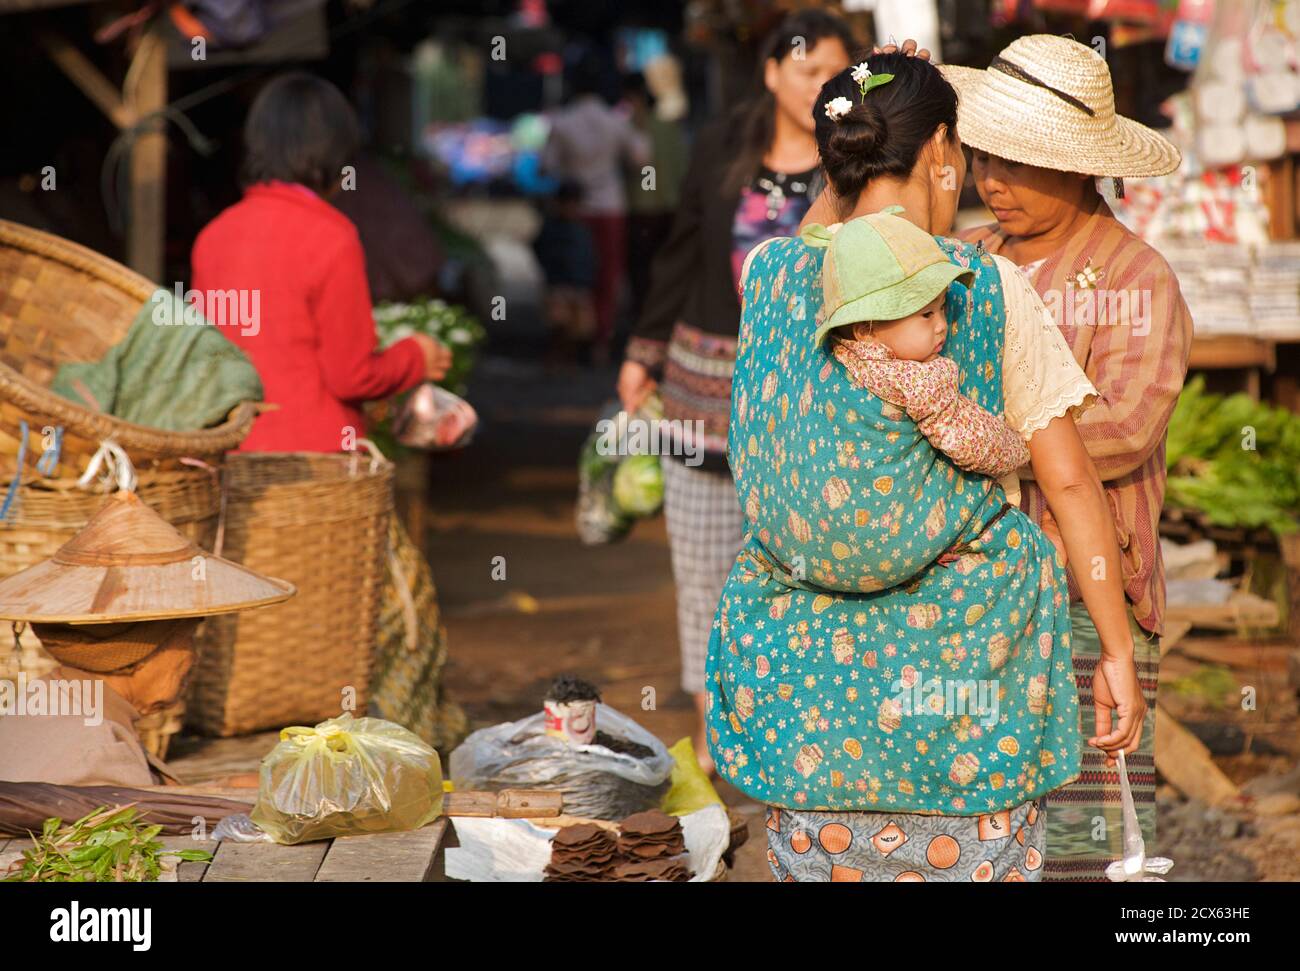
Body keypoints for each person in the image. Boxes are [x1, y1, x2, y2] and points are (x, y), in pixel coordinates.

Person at [710, 48, 1146, 882]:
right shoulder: (988, 289)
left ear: (839, 157)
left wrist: (865, 112)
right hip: (967, 711)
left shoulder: (767, 275)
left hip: (808, 707)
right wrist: (1115, 652)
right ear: (945, 151)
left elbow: (826, 237)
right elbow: (1068, 482)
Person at [944, 34, 1191, 881]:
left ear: (1082, 166)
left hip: (1093, 589)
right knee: (983, 828)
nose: (993, 181)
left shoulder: (1139, 276)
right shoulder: (965, 261)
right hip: (972, 591)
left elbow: (1122, 432)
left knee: (1087, 843)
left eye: (1020, 162)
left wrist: (981, 436)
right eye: (983, 157)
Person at [618, 9, 856, 774]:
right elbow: (681, 252)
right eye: (807, 70)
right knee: (702, 572)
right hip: (699, 393)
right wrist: (643, 352)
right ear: (770, 72)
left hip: (806, 403)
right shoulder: (723, 145)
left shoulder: (856, 153)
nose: (822, 87)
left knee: (799, 566)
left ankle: (792, 738)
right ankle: (715, 741)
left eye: (834, 72)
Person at [192, 72, 450, 453]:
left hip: (230, 456)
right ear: (335, 154)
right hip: (314, 464)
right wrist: (416, 355)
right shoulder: (332, 236)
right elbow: (352, 376)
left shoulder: (213, 236)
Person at [0, 490, 292, 787]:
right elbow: (129, 816)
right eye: (188, 639)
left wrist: (225, 788)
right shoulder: (94, 753)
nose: (194, 657)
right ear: (136, 656)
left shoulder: (44, 703)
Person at [542, 58, 649, 355]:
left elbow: (546, 166)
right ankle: (601, 340)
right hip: (610, 207)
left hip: (574, 211)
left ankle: (571, 342)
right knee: (607, 276)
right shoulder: (615, 122)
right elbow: (641, 157)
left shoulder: (562, 122)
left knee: (572, 277)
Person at [533, 180, 598, 363]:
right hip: (558, 285)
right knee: (558, 325)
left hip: (579, 285)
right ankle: (555, 358)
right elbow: (540, 250)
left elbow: (590, 257)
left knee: (579, 330)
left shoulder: (582, 230)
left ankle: (571, 360)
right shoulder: (550, 229)